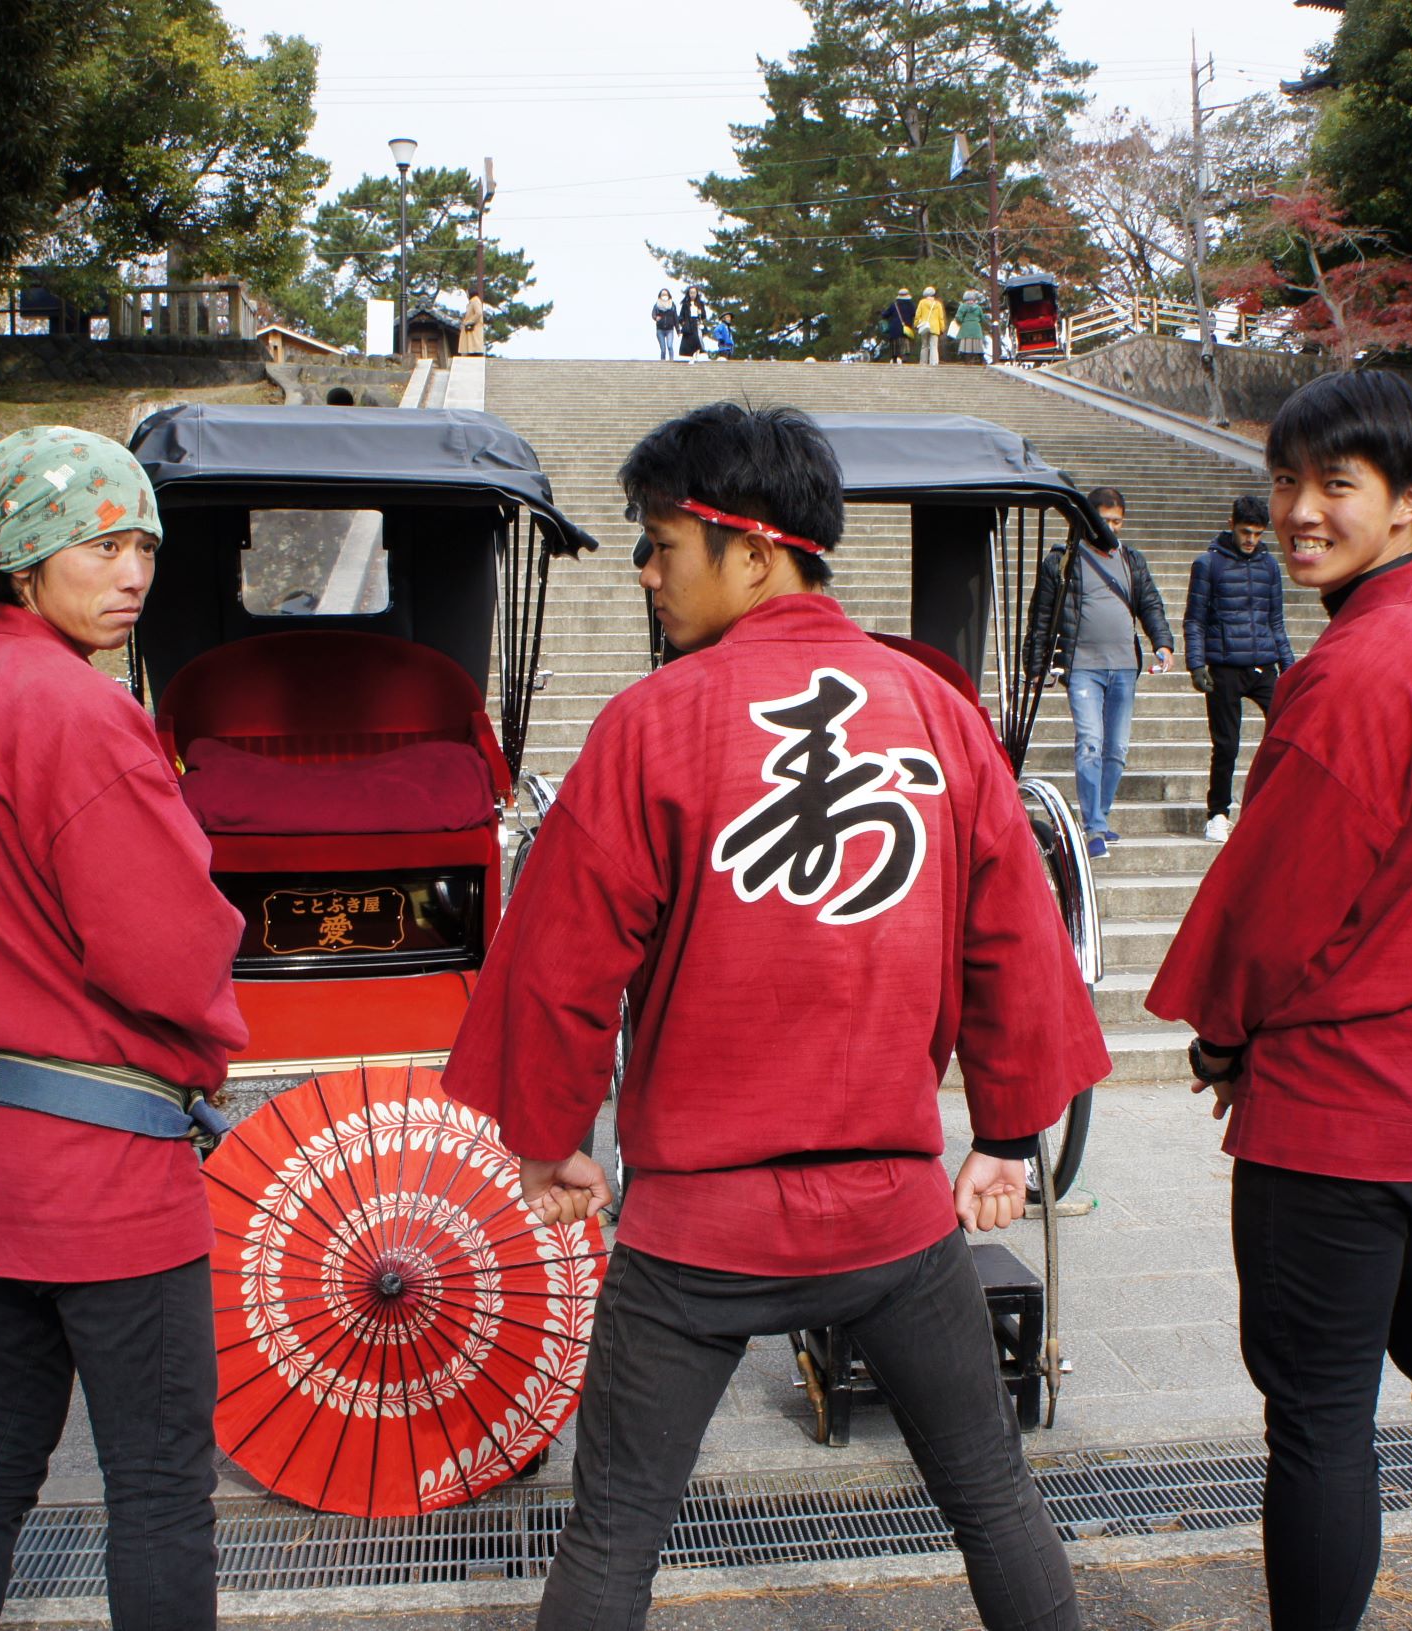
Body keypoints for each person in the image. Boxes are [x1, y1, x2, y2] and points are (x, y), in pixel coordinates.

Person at [442, 402, 1107, 1631]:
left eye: (659, 544)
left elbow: (561, 966)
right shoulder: (938, 714)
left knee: (615, 1531)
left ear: (751, 549)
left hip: (698, 1225)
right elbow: (1015, 942)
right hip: (894, 1214)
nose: (646, 573)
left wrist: (546, 1135)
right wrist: (1008, 1131)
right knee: (994, 1497)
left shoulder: (652, 725)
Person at [1148, 372, 1412, 1631]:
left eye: (1337, 485)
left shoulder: (1361, 665)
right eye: (1286, 482)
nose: (1300, 512)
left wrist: (1223, 1031)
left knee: (1322, 1420)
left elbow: (1276, 899)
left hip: (1340, 1104)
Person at [0, 426, 248, 1631]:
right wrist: (211, 1048)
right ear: (26, 552)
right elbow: (164, 942)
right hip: (101, 1162)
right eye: (102, 543)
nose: (133, 571)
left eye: (144, 544)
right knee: (158, 1480)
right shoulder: (81, 708)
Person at [1022, 485, 1175, 860]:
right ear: (1087, 519)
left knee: (1117, 748)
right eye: (1104, 520)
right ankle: (1093, 826)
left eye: (1117, 521)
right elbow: (1042, 616)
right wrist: (1036, 665)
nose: (1111, 527)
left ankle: (1101, 817)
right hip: (1083, 666)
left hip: (1124, 665)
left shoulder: (1131, 560)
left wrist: (1163, 641)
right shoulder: (1063, 561)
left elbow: (1149, 603)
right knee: (1090, 742)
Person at [1183, 494, 1293, 845]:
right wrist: (1197, 664)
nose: (1251, 540)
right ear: (1232, 525)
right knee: (1226, 745)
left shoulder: (1269, 566)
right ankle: (1218, 813)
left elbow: (1276, 620)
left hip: (1263, 663)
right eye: (1246, 532)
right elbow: (1195, 619)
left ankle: (1276, 807)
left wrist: (1289, 667)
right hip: (1224, 665)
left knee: (1288, 732)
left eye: (1258, 534)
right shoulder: (1208, 564)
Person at [914, 285, 947, 365]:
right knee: (934, 346)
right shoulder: (938, 304)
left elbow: (918, 314)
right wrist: (942, 328)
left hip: (924, 326)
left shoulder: (922, 302)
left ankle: (923, 362)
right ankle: (934, 362)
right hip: (935, 327)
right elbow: (941, 317)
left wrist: (916, 324)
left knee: (924, 345)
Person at [955, 288, 989, 364]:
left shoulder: (963, 307)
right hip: (976, 329)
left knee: (966, 347)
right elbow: (982, 318)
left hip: (966, 328)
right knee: (978, 346)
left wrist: (963, 322)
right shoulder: (978, 308)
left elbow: (958, 317)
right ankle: (981, 361)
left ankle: (967, 362)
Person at [884, 288, 915, 362]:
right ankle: (903, 357)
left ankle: (895, 358)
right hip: (906, 328)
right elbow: (915, 314)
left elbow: (885, 314)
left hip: (894, 328)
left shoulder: (894, 304)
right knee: (905, 342)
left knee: (895, 343)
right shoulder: (911, 304)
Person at [678, 286, 708, 359]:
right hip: (688, 325)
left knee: (697, 339)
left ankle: (699, 355)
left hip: (697, 323)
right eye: (691, 293)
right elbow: (680, 316)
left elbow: (704, 316)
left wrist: (700, 313)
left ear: (696, 293)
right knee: (687, 341)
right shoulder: (685, 304)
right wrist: (683, 323)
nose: (692, 294)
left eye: (694, 292)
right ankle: (688, 357)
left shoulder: (701, 304)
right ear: (688, 294)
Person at [458, 285, 487, 356]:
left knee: (474, 346)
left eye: (467, 293)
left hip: (474, 329)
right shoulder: (473, 301)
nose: (467, 295)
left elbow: (479, 313)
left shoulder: (475, 301)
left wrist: (469, 322)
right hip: (472, 329)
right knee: (471, 347)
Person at [652, 287, 678, 361]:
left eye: (666, 294)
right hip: (660, 329)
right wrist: (655, 317)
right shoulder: (657, 305)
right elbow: (653, 313)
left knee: (670, 346)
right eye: (663, 294)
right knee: (663, 349)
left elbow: (675, 317)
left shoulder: (672, 305)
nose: (664, 296)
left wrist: (678, 330)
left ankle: (671, 360)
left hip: (670, 329)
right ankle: (663, 362)